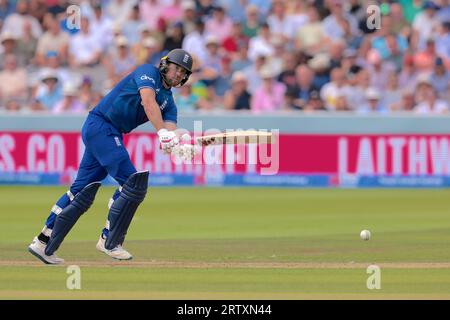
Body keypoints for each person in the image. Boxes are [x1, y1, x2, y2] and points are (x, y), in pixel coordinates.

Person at [28, 49, 196, 264]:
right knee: (132, 184)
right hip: (101, 125)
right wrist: (162, 133)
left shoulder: (170, 102)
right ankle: (109, 241)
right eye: (177, 69)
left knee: (81, 191)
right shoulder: (148, 72)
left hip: (108, 132)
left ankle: (42, 243)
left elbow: (170, 131)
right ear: (166, 65)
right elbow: (147, 101)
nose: (179, 75)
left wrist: (178, 144)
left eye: (184, 73)